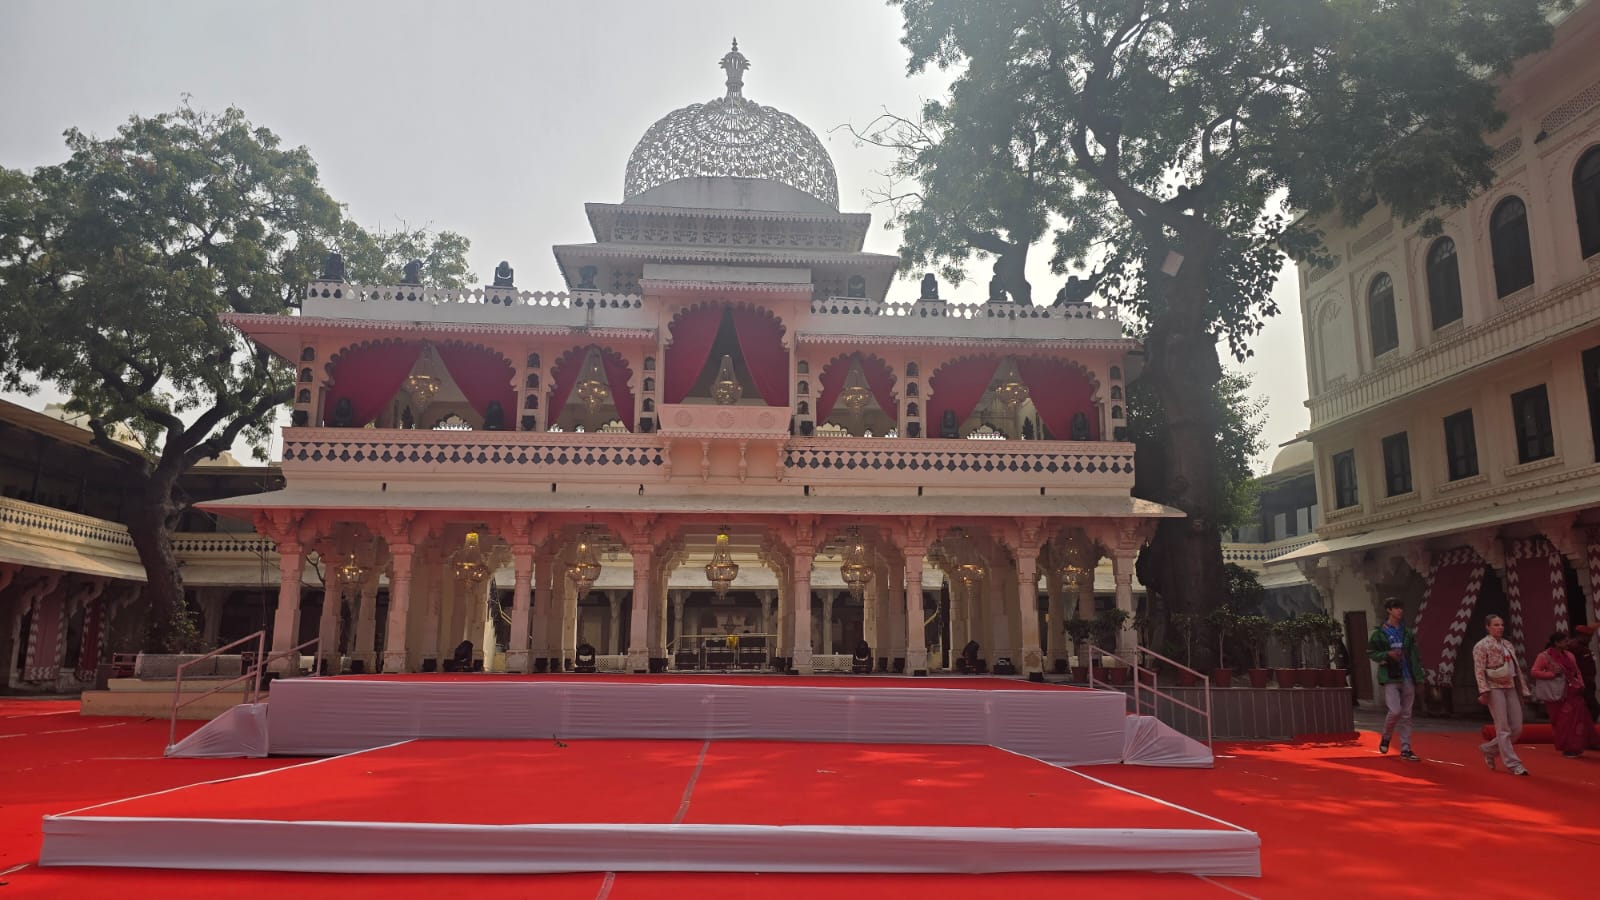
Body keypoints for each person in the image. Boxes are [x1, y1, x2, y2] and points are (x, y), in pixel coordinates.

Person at [1474, 614, 1532, 775]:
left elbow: (1516, 669)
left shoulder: (1507, 644)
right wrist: (1483, 690)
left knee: (1517, 728)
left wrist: (1523, 689)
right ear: (1488, 626)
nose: (1500, 627)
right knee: (1503, 727)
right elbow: (1479, 670)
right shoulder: (1481, 646)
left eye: (1501, 624)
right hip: (1494, 687)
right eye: (1496, 625)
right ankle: (1513, 764)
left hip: (1511, 685)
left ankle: (1489, 749)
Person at [1367, 598, 1423, 761]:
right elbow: (1371, 652)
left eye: (1401, 607)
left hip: (1406, 674)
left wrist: (1418, 676)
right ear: (1389, 610)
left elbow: (1414, 655)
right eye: (1396, 608)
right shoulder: (1380, 633)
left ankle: (1406, 748)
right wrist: (1386, 655)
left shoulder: (1407, 632)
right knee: (1395, 711)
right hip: (1390, 676)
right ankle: (1386, 736)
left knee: (1406, 714)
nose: (1400, 611)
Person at [1531, 631, 1596, 758]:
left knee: (1575, 720)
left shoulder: (1570, 655)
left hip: (1572, 692)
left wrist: (1581, 684)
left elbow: (1577, 671)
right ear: (1556, 643)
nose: (1568, 643)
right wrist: (1552, 674)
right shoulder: (1544, 656)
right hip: (1555, 694)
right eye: (1565, 641)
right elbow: (1534, 672)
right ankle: (1565, 745)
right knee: (1559, 721)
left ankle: (1575, 746)